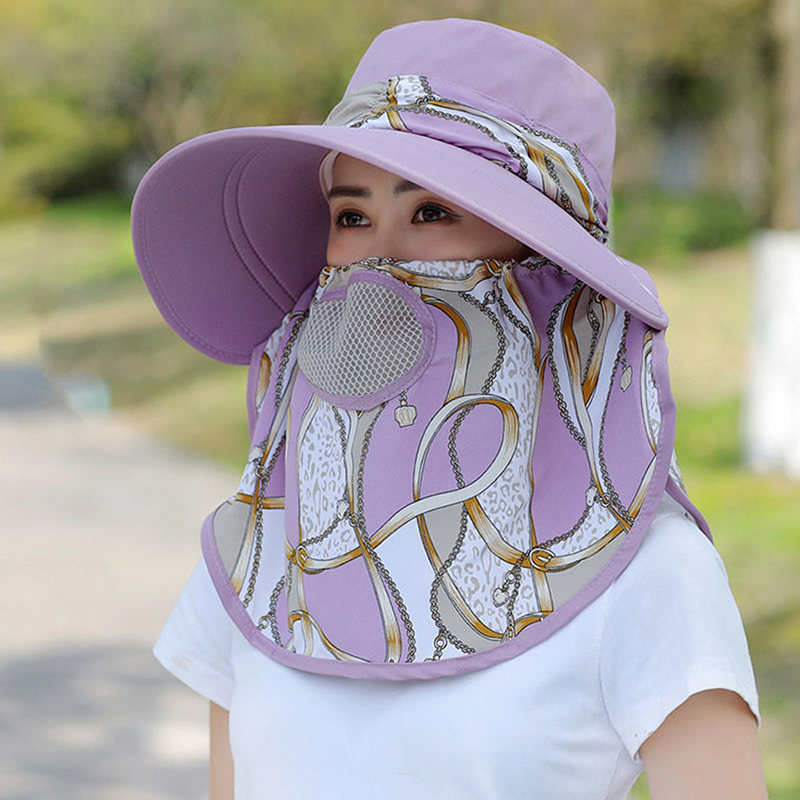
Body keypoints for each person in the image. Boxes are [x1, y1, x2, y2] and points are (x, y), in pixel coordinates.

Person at [130, 18, 768, 799]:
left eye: (433, 212)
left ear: (546, 261)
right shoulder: (264, 547)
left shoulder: (651, 571)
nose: (379, 257)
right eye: (351, 216)